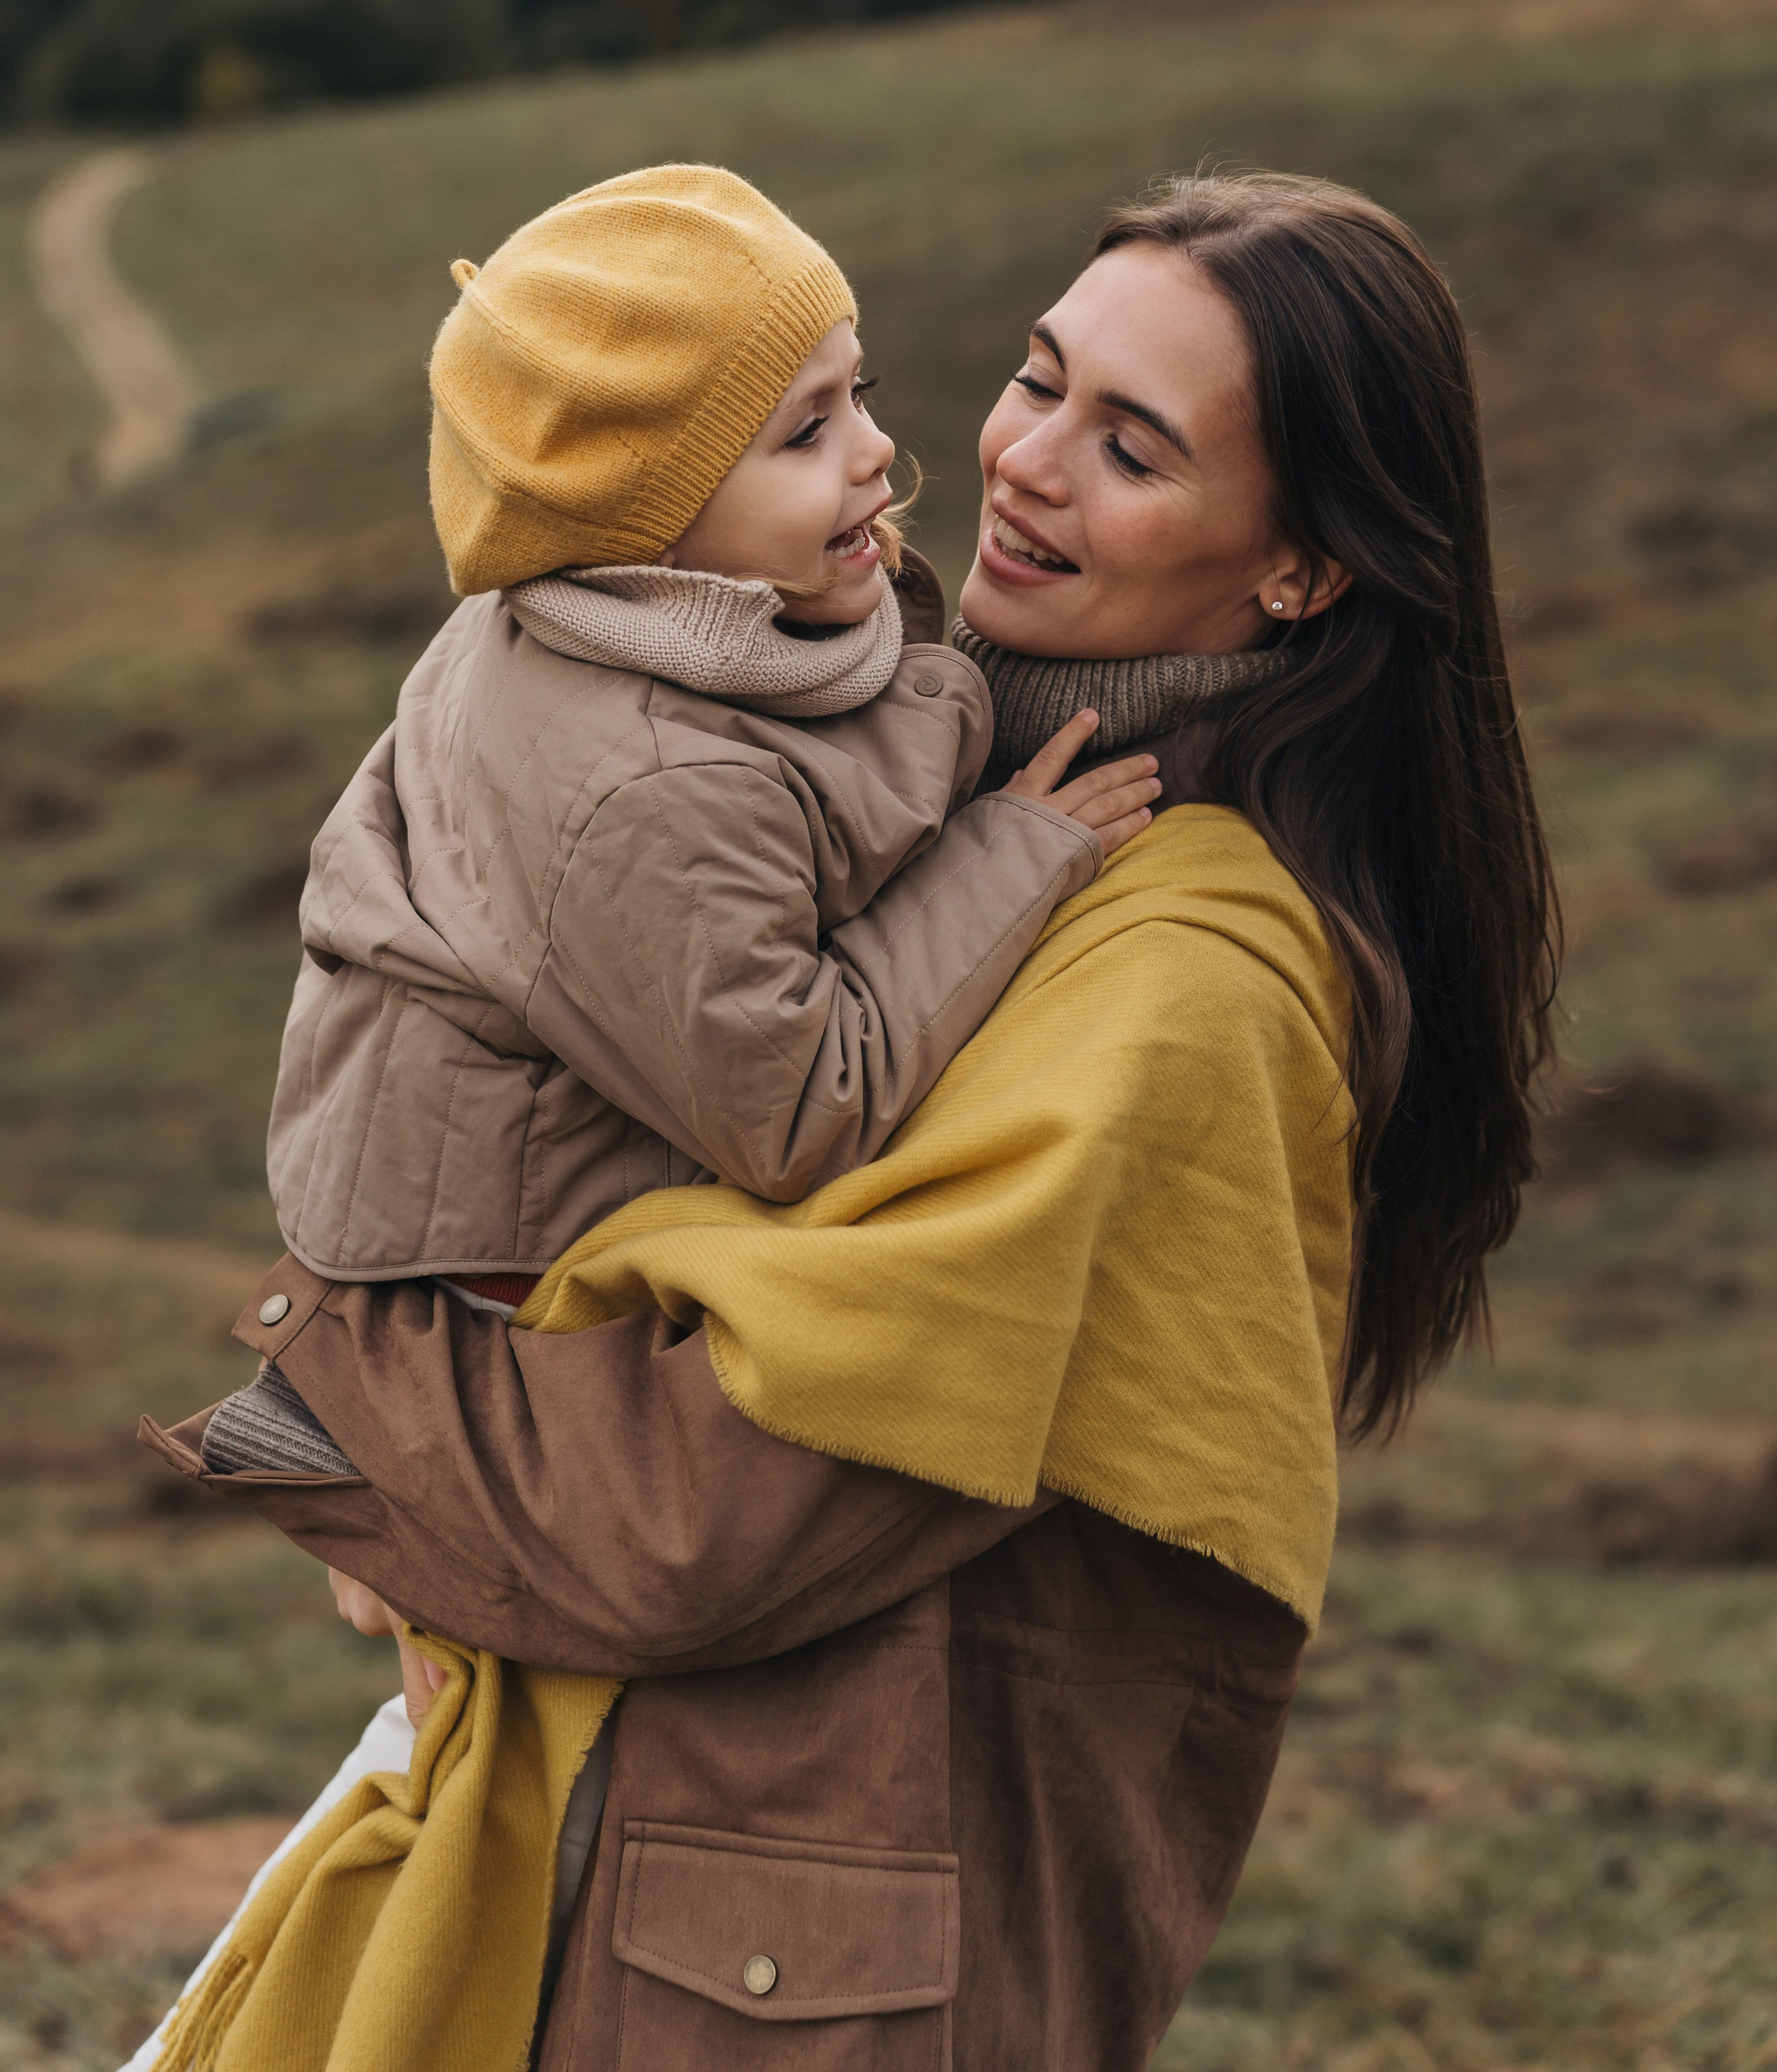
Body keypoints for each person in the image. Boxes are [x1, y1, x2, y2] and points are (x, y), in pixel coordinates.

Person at [141, 169, 1557, 2072]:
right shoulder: (929, 754)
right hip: (698, 1857)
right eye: (1042, 381)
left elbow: (718, 1507)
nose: (1022, 463)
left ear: (1301, 569)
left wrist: (370, 1434)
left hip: (807, 1943)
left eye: (1130, 447)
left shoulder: (1190, 969)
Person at [196, 158, 1157, 1485]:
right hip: (509, 1294)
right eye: (805, 433)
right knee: (803, 1512)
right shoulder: (644, 792)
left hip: (535, 1172)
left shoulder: (656, 620)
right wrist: (1010, 853)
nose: (877, 450)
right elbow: (801, 1105)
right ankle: (393, 1497)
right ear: (649, 526)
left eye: (855, 394)